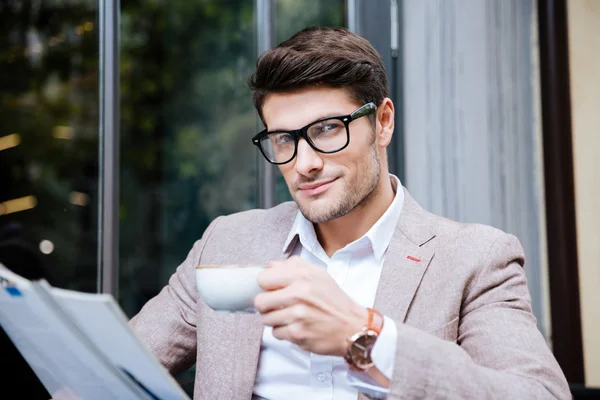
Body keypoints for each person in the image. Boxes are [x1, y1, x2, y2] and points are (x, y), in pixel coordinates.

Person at [130, 27, 570, 399]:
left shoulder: (474, 258)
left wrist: (364, 336)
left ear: (382, 122)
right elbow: (114, 368)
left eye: (326, 129)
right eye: (284, 139)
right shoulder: (226, 242)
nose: (304, 163)